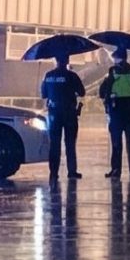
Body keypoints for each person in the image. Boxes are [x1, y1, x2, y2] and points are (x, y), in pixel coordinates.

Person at [101, 47, 130, 179]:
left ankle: (116, 170)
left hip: (116, 112)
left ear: (117, 58)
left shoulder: (112, 71)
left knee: (116, 143)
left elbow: (103, 91)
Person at [39, 53, 85, 181]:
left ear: (55, 61)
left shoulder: (48, 75)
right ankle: (72, 171)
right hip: (69, 113)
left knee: (54, 144)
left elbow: (43, 94)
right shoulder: (72, 76)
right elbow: (82, 92)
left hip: (53, 113)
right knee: (70, 144)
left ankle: (53, 172)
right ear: (67, 61)